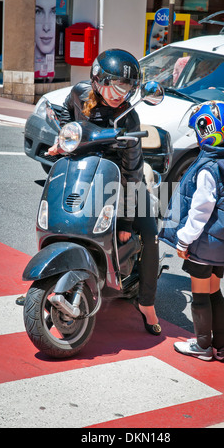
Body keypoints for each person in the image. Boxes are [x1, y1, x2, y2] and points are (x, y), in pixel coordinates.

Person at [47, 48, 161, 336]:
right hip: (83, 170)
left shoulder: (128, 118)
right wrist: (64, 137)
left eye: (127, 87)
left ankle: (147, 303)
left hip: (119, 179)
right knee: (56, 217)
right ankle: (47, 279)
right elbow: (63, 113)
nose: (119, 93)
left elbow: (133, 174)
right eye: (115, 84)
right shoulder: (80, 93)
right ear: (97, 79)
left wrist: (125, 222)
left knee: (149, 232)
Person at [159, 100, 224, 361]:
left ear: (208, 132)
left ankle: (203, 346)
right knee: (215, 292)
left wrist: (183, 241)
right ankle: (220, 347)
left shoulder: (209, 169)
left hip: (204, 244)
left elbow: (200, 211)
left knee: (200, 295)